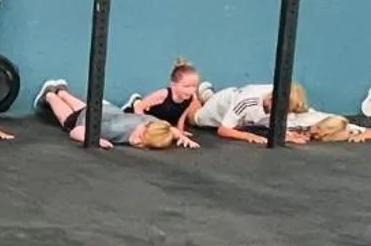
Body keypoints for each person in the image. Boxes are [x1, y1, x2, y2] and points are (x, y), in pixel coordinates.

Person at [38, 80, 194, 150]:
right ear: (144, 128)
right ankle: (50, 95)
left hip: (107, 109)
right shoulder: (114, 130)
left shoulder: (151, 122)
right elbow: (76, 131)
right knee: (68, 120)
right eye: (140, 137)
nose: (136, 142)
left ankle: (61, 91)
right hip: (88, 120)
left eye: (142, 144)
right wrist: (95, 140)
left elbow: (167, 128)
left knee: (88, 107)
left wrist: (181, 136)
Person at [191, 82, 310, 145]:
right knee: (194, 118)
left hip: (233, 104)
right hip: (218, 108)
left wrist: (287, 135)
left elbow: (275, 124)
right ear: (272, 99)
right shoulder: (248, 101)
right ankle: (192, 95)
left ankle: (207, 94)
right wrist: (249, 136)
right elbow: (223, 130)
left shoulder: (280, 96)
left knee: (236, 119)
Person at [125, 58, 206, 131]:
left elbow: (182, 116)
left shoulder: (191, 98)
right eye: (186, 86)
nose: (191, 91)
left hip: (163, 123)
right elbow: (139, 109)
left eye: (194, 86)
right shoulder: (163, 95)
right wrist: (146, 128)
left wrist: (180, 132)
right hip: (144, 116)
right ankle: (135, 101)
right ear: (173, 85)